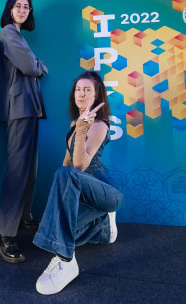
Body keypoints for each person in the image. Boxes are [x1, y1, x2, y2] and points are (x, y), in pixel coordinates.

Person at [32, 71, 123, 295]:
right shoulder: (75, 123)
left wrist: (82, 130)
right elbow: (67, 162)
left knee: (65, 179)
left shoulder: (99, 125)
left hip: (104, 190)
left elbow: (79, 166)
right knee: (61, 226)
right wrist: (59, 205)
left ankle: (66, 260)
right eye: (78, 90)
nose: (81, 94)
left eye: (87, 90)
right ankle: (104, 228)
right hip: (81, 192)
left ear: (97, 95)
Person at [0, 0, 48, 263]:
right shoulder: (8, 32)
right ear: (10, 9)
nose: (23, 10)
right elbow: (29, 66)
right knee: (17, 171)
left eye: (27, 7)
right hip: (19, 109)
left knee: (30, 169)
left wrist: (36, 65)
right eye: (18, 6)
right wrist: (40, 66)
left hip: (29, 108)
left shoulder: (18, 35)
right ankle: (5, 234)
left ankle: (24, 217)